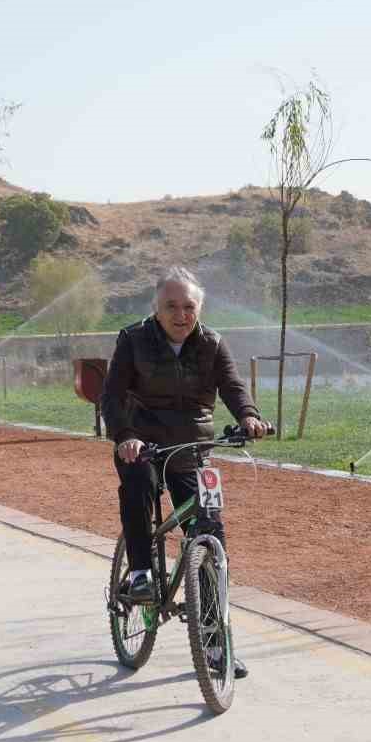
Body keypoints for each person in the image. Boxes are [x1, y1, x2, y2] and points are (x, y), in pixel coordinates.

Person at [101, 267, 266, 679]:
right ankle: (141, 572)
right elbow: (112, 396)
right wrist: (125, 435)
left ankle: (215, 644)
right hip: (142, 444)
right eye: (171, 306)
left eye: (188, 306)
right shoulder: (132, 340)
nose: (180, 314)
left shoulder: (212, 343)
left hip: (192, 450)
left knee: (210, 534)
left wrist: (248, 416)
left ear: (199, 308)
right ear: (156, 309)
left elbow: (232, 386)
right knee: (138, 484)